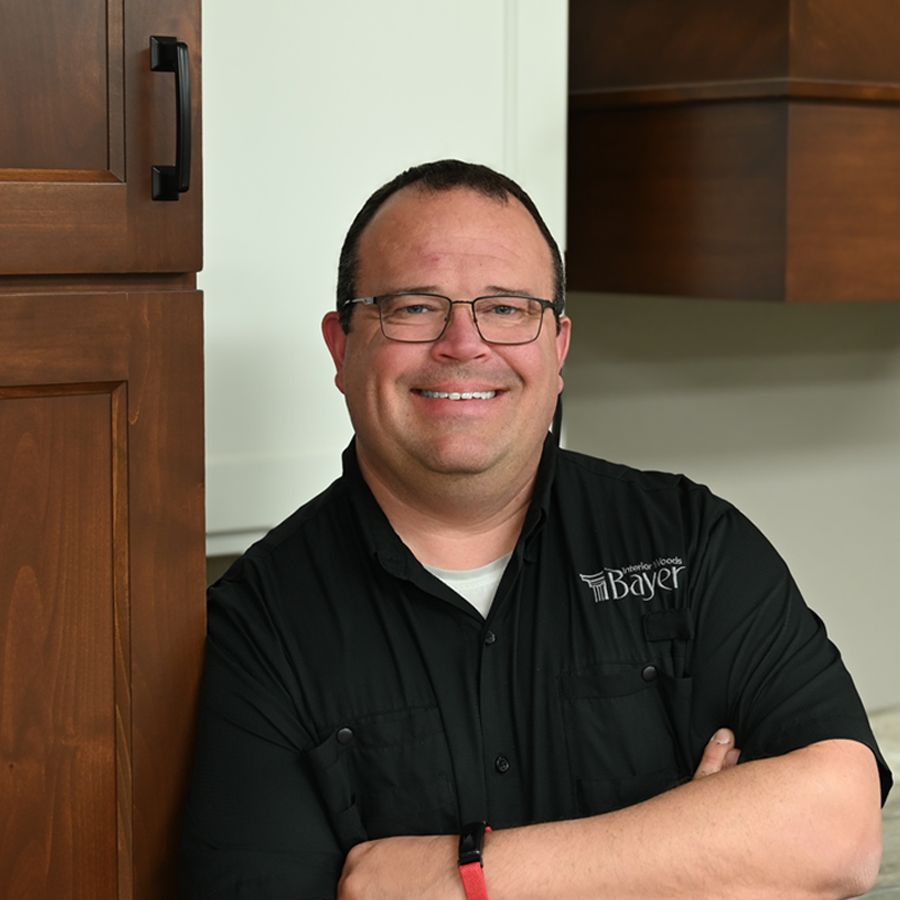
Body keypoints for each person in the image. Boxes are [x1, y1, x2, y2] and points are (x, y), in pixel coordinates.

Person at [180, 160, 892, 899]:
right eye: (415, 307)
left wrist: (459, 880)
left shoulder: (688, 538)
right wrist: (688, 853)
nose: (464, 342)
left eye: (509, 308)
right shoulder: (259, 626)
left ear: (558, 347)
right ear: (341, 344)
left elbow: (839, 832)